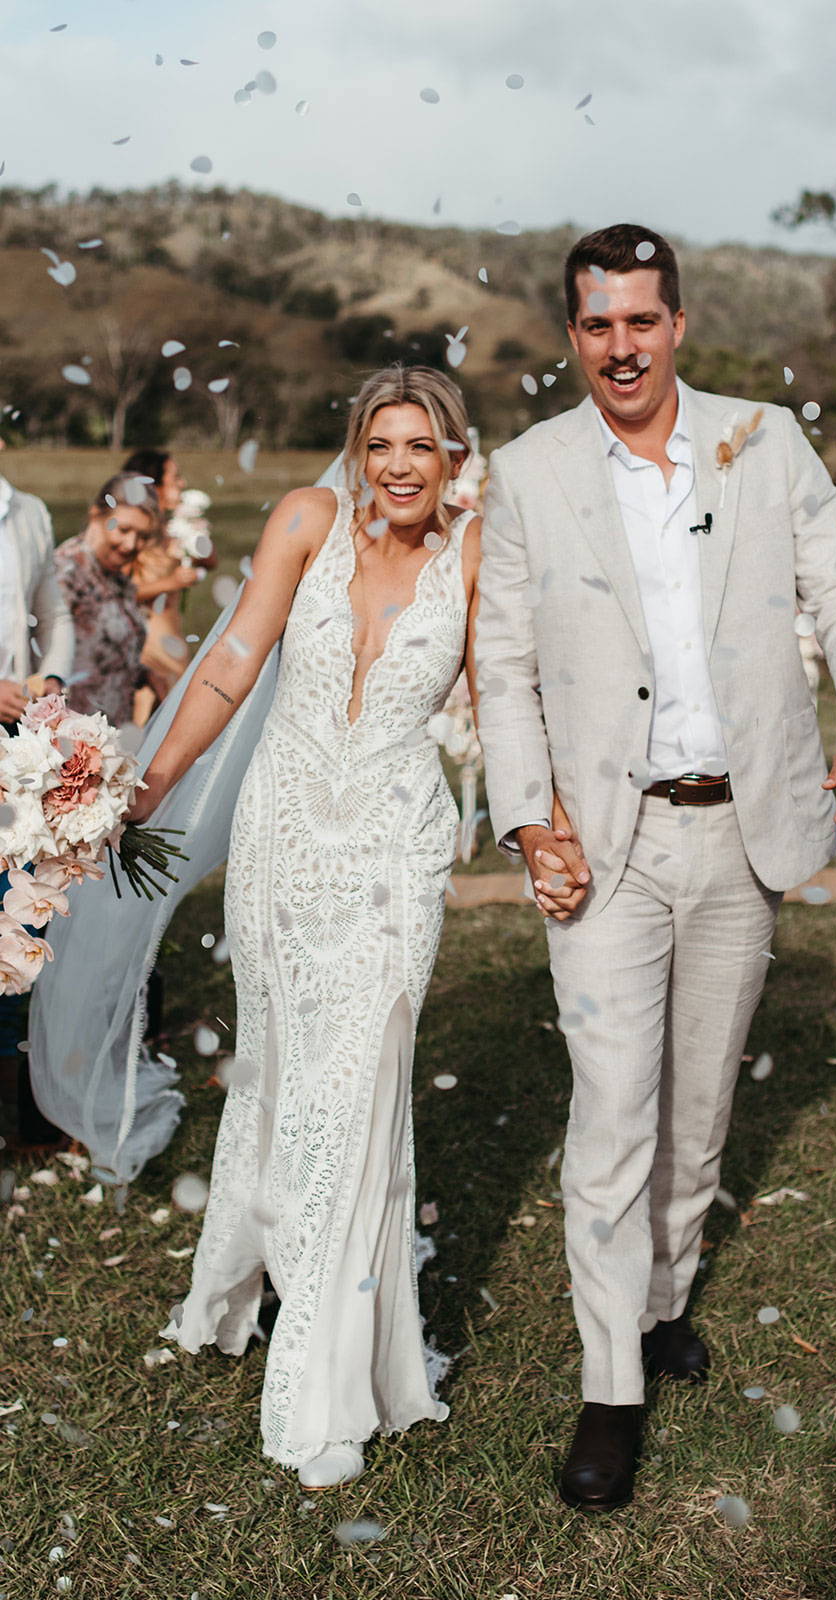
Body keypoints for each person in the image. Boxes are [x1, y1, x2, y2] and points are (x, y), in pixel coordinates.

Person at [475, 224, 836, 1513]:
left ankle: (662, 1298)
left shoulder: (762, 439)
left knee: (698, 1104)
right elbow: (500, 668)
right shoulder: (526, 472)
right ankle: (610, 1387)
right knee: (612, 1111)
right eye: (597, 324)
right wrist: (526, 818)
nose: (622, 345)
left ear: (677, 325)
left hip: (744, 830)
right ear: (573, 334)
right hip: (604, 846)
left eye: (642, 321)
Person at [123, 368, 490, 1489]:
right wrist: (149, 781)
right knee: (281, 1071)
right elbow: (232, 659)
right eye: (380, 442)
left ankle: (324, 1378)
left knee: (357, 1083)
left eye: (421, 445)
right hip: (281, 838)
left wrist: (547, 825)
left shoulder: (479, 556)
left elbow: (511, 701)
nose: (397, 465)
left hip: (394, 849)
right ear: (355, 448)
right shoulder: (304, 519)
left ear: (454, 456)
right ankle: (242, 1279)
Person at [0, 437, 74, 1147]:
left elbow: (53, 613)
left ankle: (25, 1097)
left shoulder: (28, 513)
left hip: (21, 750)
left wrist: (50, 682)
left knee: (23, 919)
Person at [53, 475, 158, 726]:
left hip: (112, 734)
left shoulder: (117, 579)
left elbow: (105, 654)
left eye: (142, 536)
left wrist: (147, 675)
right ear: (95, 515)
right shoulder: (64, 573)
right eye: (123, 530)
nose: (131, 544)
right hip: (69, 739)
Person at [121, 449, 203, 713]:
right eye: (175, 478)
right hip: (148, 649)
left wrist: (197, 539)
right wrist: (172, 582)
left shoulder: (172, 529)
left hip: (173, 642)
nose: (182, 484)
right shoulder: (131, 533)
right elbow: (116, 593)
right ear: (153, 486)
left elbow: (210, 561)